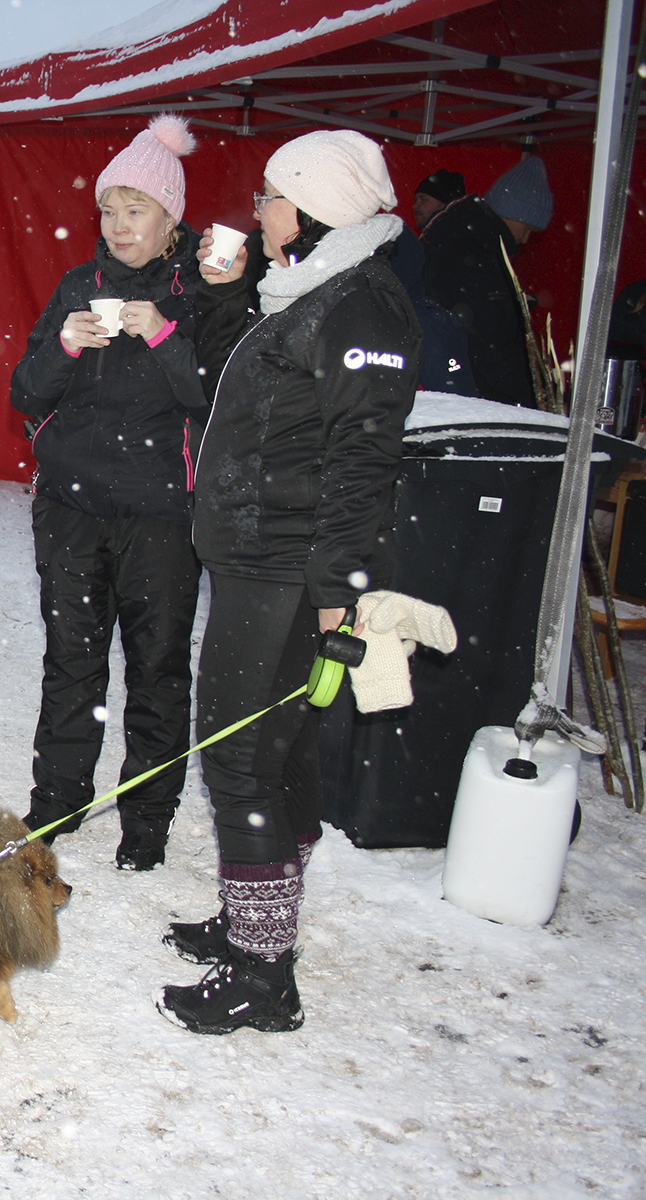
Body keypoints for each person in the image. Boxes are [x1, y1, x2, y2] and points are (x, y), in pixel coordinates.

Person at [164, 130, 421, 1034]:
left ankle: (263, 974)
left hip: (286, 573)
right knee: (281, 758)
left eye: (274, 195)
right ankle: (252, 921)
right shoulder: (315, 293)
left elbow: (364, 463)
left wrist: (338, 590)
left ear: (317, 209)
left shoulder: (360, 311)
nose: (260, 209)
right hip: (258, 564)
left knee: (239, 760)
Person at [9, 114, 215, 872]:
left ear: (171, 220)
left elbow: (213, 400)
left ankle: (147, 817)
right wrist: (63, 347)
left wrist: (164, 336)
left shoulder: (200, 295)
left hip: (162, 517)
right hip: (71, 509)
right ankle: (57, 798)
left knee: (158, 668)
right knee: (72, 660)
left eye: (138, 211)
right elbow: (25, 392)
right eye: (109, 209)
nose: (120, 226)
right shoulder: (77, 287)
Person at [419, 156, 548, 407]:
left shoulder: (460, 233)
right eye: (529, 228)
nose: (525, 239)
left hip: (445, 381)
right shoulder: (474, 253)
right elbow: (491, 343)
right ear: (515, 214)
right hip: (466, 393)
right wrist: (533, 401)